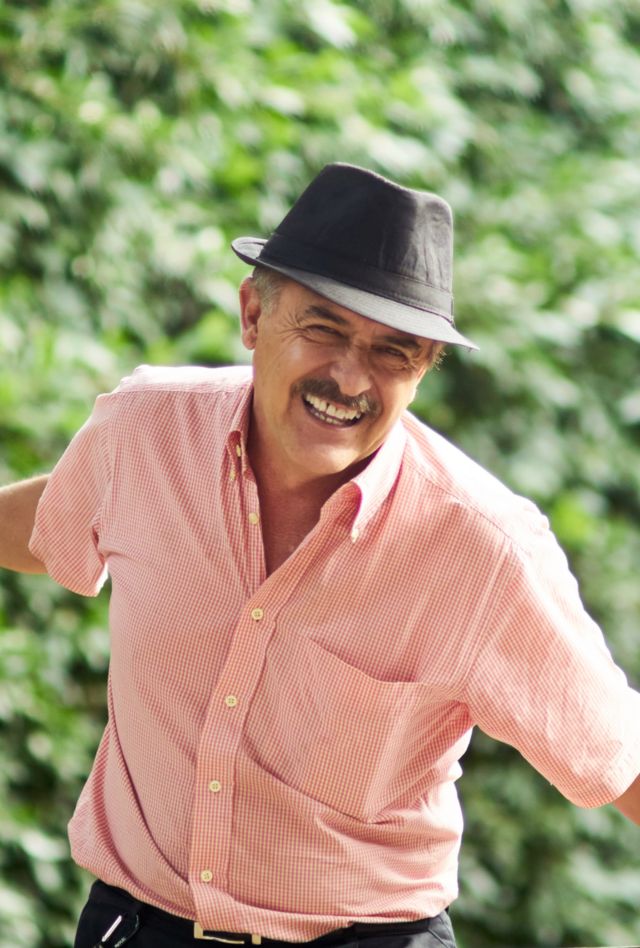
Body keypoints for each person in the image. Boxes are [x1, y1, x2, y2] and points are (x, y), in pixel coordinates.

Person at [1, 163, 639, 948]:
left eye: (393, 352)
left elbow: (619, 755)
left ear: (424, 371)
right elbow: (53, 518)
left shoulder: (482, 550)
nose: (348, 376)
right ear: (251, 314)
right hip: (136, 925)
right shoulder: (144, 434)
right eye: (323, 328)